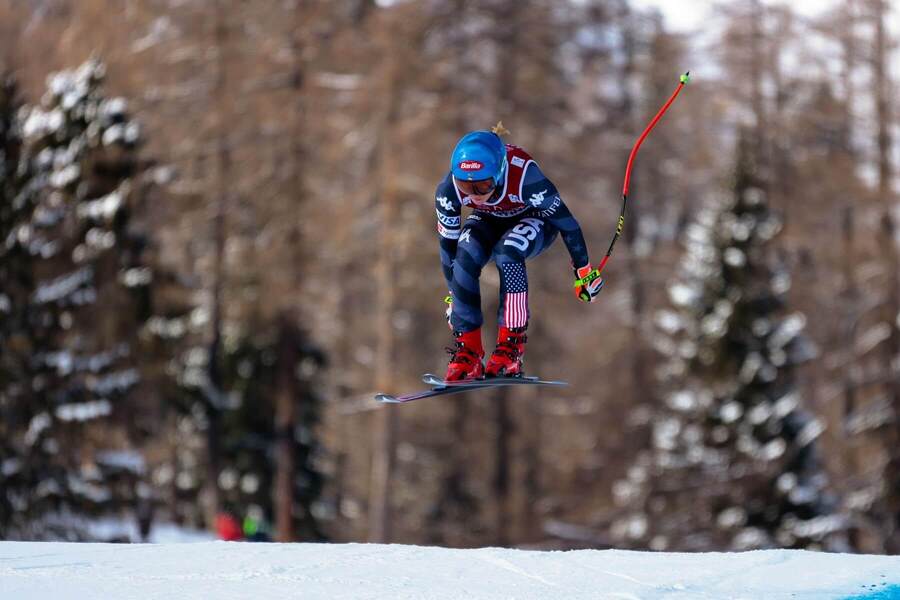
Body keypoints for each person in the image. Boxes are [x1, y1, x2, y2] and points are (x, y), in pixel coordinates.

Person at [437, 123, 604, 381]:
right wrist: (453, 298)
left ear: (501, 172)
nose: (474, 194)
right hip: (489, 220)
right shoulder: (449, 192)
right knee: (465, 252)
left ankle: (511, 348)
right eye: (466, 186)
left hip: (536, 220)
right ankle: (468, 352)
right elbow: (447, 247)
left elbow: (568, 224)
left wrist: (583, 273)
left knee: (509, 250)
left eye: (483, 186)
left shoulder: (527, 178)